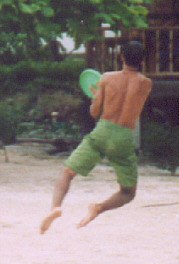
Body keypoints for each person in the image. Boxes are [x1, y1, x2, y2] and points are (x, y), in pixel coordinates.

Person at [40, 41, 152, 234]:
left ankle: (55, 207)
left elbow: (94, 112)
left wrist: (96, 97)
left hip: (102, 131)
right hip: (124, 137)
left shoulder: (107, 78)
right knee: (128, 192)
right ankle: (98, 208)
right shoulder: (146, 83)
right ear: (142, 60)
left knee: (67, 172)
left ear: (122, 56)